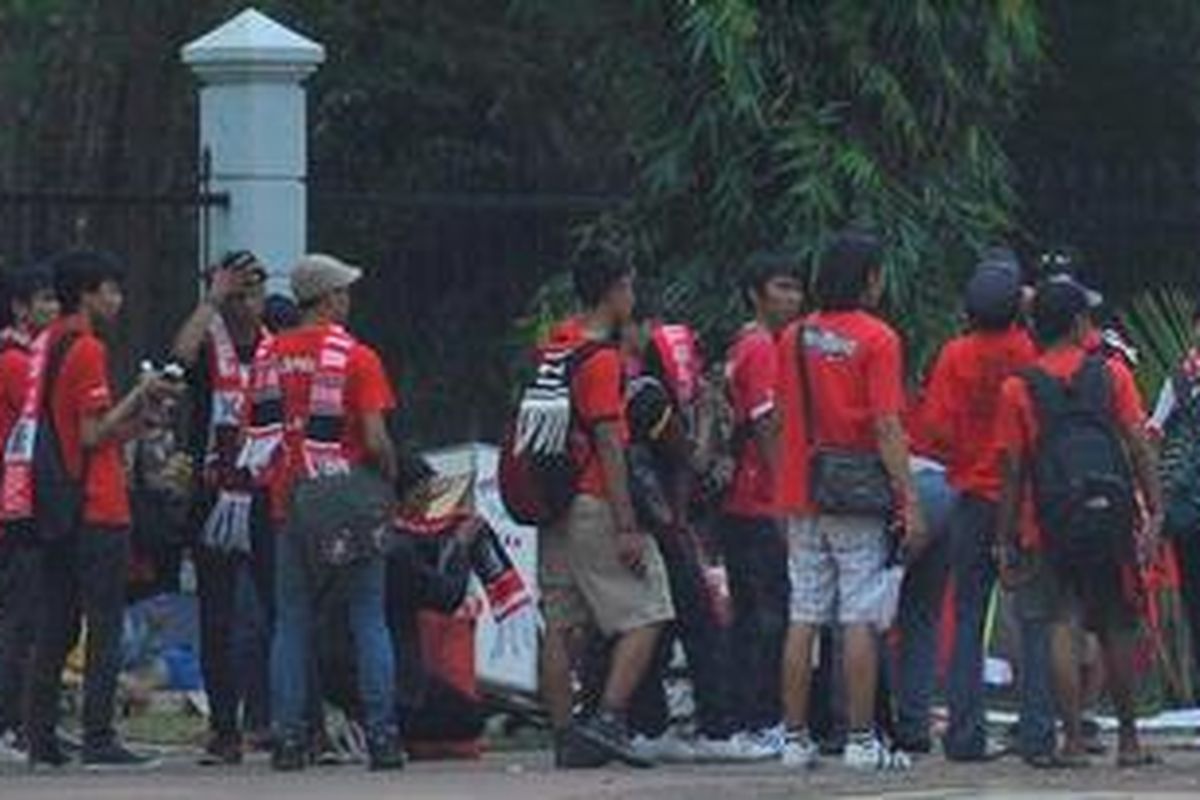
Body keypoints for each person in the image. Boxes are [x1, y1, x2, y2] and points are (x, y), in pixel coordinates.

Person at [9, 250, 176, 768]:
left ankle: (40, 738)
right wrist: (140, 395)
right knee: (102, 623)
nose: (118, 300)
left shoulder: (42, 345)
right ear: (87, 293)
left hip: (57, 501)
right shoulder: (85, 349)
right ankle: (100, 736)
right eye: (112, 290)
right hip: (96, 503)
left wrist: (136, 421)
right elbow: (91, 432)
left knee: (56, 622)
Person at [995, 277, 1163, 768]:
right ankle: (1129, 742)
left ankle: (1071, 740)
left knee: (1062, 622)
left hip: (1049, 521)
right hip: (1109, 515)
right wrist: (1152, 510)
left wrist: (1004, 540)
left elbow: (1012, 471)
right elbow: (1137, 445)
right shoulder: (1112, 376)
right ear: (1077, 325)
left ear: (1033, 327)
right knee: (1114, 623)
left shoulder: (1017, 389)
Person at [246, 254, 404, 772]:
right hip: (350, 501)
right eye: (345, 291)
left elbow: (258, 433)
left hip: (289, 502)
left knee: (291, 622)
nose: (349, 300)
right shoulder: (357, 357)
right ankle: (382, 738)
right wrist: (391, 476)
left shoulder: (268, 355)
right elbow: (376, 438)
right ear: (330, 298)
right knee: (368, 617)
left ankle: (290, 740)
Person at [781, 230, 926, 771]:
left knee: (804, 613)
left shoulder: (793, 336)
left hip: (802, 492)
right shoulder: (879, 339)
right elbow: (888, 426)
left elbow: (778, 422)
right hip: (856, 496)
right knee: (859, 616)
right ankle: (862, 740)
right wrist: (908, 498)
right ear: (868, 278)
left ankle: (794, 739)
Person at [539, 248, 675, 768]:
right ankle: (609, 721)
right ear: (616, 290)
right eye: (630, 288)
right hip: (594, 500)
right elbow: (609, 444)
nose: (633, 298)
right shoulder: (601, 360)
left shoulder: (554, 345)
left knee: (561, 623)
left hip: (553, 501)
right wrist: (627, 524)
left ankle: (564, 735)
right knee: (649, 609)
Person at [915, 261, 1036, 760]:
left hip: (971, 497)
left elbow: (936, 431)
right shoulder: (1029, 353)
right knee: (1034, 616)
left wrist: (966, 455)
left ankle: (964, 735)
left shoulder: (954, 355)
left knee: (966, 616)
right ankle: (1037, 730)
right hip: (1023, 500)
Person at [170, 250, 273, 765]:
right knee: (219, 616)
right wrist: (211, 297)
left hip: (269, 492)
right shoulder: (211, 344)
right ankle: (224, 728)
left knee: (282, 610)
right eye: (236, 294)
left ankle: (286, 722)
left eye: (252, 292)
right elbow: (178, 357)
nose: (245, 304)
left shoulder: (279, 342)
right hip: (216, 492)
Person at [715, 252, 802, 759]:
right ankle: (761, 718)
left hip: (739, 502)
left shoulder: (741, 345)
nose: (792, 297)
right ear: (756, 293)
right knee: (770, 614)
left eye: (796, 287)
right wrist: (786, 499)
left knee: (750, 615)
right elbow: (768, 428)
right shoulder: (763, 349)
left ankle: (744, 718)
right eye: (781, 287)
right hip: (759, 500)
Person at [0, 264, 59, 757]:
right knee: (23, 616)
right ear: (21, 307)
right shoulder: (19, 363)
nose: (54, 310)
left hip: (17, 500)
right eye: (44, 301)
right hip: (17, 505)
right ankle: (11, 722)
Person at [1148, 297, 1200, 685]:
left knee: (1196, 601)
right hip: (1188, 509)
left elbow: (1152, 435)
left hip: (1187, 509)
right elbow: (1153, 434)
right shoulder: (1181, 381)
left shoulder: (1180, 381)